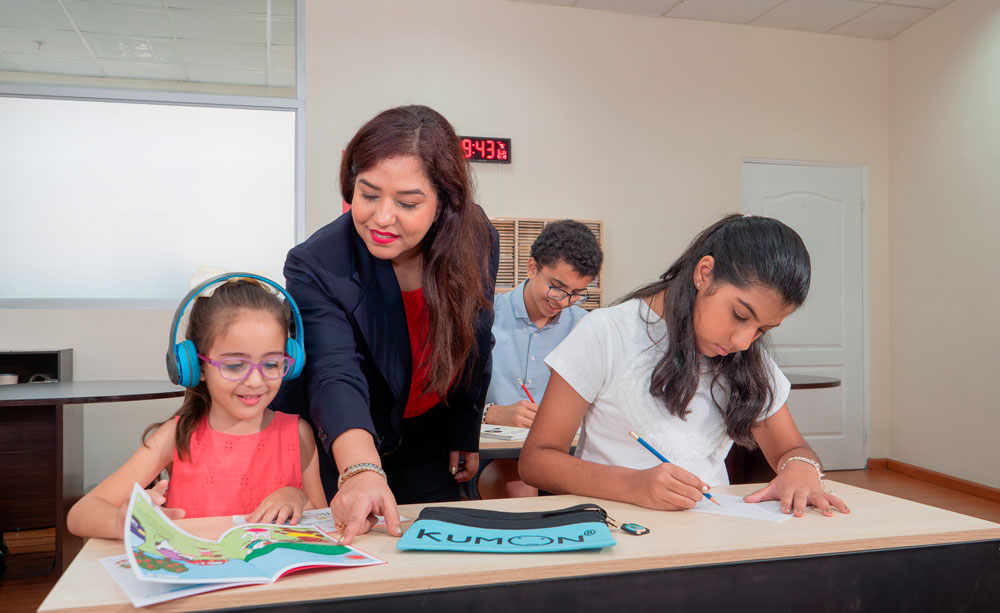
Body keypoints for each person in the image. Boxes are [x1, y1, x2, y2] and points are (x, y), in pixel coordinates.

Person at [519, 214, 849, 518]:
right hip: (618, 529)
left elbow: (791, 448)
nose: (744, 341)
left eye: (762, 329)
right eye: (739, 315)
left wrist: (800, 467)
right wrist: (633, 485)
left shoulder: (747, 358)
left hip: (713, 532)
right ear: (704, 274)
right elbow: (536, 461)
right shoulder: (607, 332)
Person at [275, 105, 499, 544]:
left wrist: (463, 432)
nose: (381, 217)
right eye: (368, 194)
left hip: (426, 439)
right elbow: (333, 371)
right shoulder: (318, 263)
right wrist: (359, 470)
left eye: (408, 202)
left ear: (445, 204)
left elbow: (475, 339)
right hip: (346, 443)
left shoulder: (475, 239)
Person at [67, 272, 326, 540]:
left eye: (271, 364)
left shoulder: (297, 433)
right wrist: (124, 521)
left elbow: (324, 521)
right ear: (195, 366)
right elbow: (81, 514)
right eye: (235, 365)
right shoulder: (176, 436)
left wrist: (295, 496)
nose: (255, 381)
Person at [478, 219, 603, 498]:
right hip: (495, 454)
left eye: (576, 294)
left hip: (564, 454)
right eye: (557, 287)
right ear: (532, 267)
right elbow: (447, 401)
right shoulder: (485, 318)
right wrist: (491, 413)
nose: (562, 301)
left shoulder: (587, 328)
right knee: (519, 487)